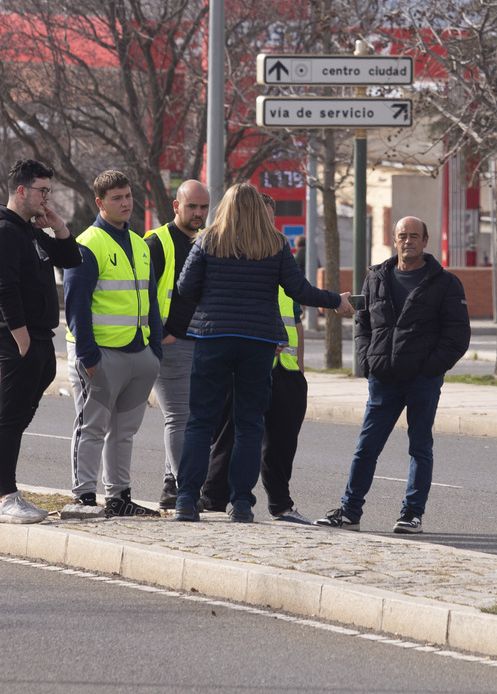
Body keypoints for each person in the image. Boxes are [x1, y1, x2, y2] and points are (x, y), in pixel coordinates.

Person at [172, 183, 354, 524]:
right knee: (249, 423)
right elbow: (298, 289)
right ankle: (241, 503)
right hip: (258, 342)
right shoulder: (275, 244)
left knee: (200, 421)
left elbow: (184, 288)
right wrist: (335, 301)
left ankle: (186, 500)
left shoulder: (208, 240)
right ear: (258, 209)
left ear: (224, 207)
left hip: (213, 338)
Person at [315, 216, 470, 534]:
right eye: (402, 235)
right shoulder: (377, 278)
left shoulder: (445, 283)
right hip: (383, 378)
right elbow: (363, 324)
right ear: (394, 239)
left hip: (422, 381)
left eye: (415, 235)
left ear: (426, 241)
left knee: (419, 447)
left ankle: (411, 514)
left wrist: (430, 369)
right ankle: (350, 512)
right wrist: (366, 362)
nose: (408, 240)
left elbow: (457, 336)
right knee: (366, 447)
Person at [0, 159, 83, 523]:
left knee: (20, 417)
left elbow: (72, 259)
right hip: (18, 340)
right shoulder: (2, 233)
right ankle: (5, 498)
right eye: (42, 191)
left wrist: (58, 226)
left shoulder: (30, 230)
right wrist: (21, 340)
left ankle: (10, 493)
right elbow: (3, 291)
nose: (46, 198)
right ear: (21, 190)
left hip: (40, 337)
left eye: (49, 191)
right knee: (9, 419)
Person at [63, 170, 163, 518]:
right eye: (117, 198)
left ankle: (120, 497)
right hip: (100, 356)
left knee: (124, 433)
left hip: (139, 354)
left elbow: (150, 301)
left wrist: (156, 353)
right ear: (100, 202)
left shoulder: (139, 243)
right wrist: (88, 355)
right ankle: (84, 499)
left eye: (128, 195)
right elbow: (76, 305)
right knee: (91, 428)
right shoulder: (87, 244)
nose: (125, 203)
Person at [199, 287, 310, 522]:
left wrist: (299, 366)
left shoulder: (286, 271)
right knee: (230, 435)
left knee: (282, 442)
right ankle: (213, 501)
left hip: (286, 368)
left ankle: (281, 505)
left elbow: (296, 319)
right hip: (247, 365)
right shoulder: (244, 265)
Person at [145, 179, 210, 508]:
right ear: (176, 207)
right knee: (180, 416)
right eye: (192, 207)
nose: (198, 213)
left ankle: (173, 486)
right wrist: (161, 332)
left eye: (203, 208)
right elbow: (141, 294)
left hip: (195, 341)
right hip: (170, 343)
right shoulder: (157, 242)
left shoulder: (205, 241)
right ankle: (183, 488)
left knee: (189, 417)